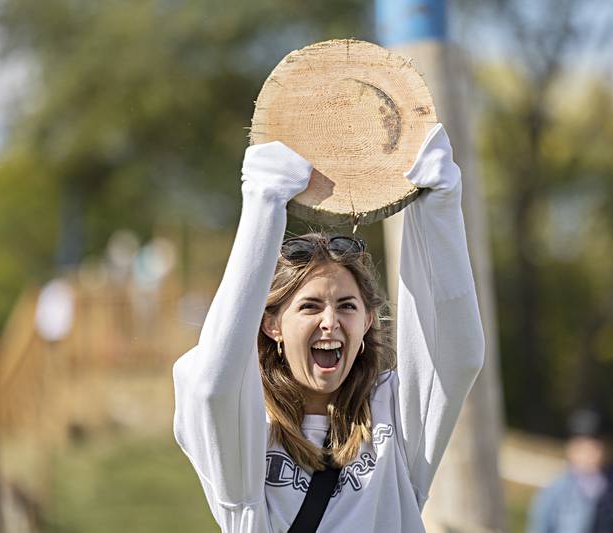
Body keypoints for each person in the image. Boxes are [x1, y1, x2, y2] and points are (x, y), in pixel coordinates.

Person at [172, 123, 485, 532]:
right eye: (310, 306)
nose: (330, 321)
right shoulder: (252, 430)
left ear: (368, 320)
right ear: (270, 325)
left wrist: (439, 209)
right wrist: (264, 203)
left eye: (346, 305)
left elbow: (456, 356)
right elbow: (210, 384)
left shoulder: (393, 418)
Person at [528, 408, 613, 533]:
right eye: (583, 448)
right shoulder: (556, 491)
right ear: (571, 448)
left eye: (598, 447)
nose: (591, 455)